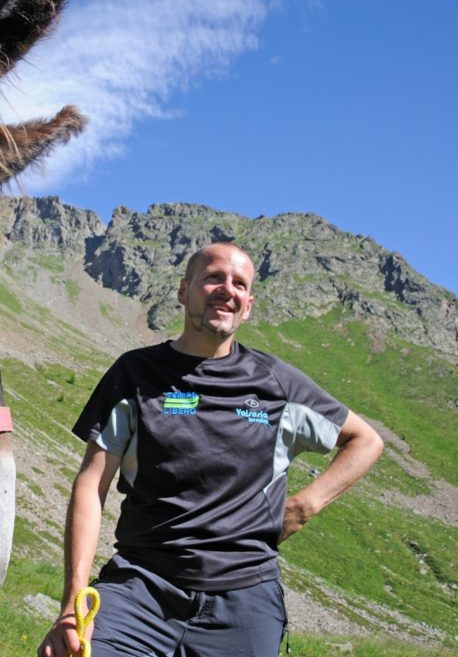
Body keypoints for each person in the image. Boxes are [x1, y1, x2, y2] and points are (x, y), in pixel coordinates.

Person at [38, 242, 384, 657]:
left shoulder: (276, 383)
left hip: (244, 600)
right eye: (214, 278)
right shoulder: (135, 372)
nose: (227, 289)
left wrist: (302, 507)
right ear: (184, 291)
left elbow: (366, 440)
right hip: (141, 586)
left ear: (249, 305)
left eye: (239, 283)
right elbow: (91, 485)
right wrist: (73, 602)